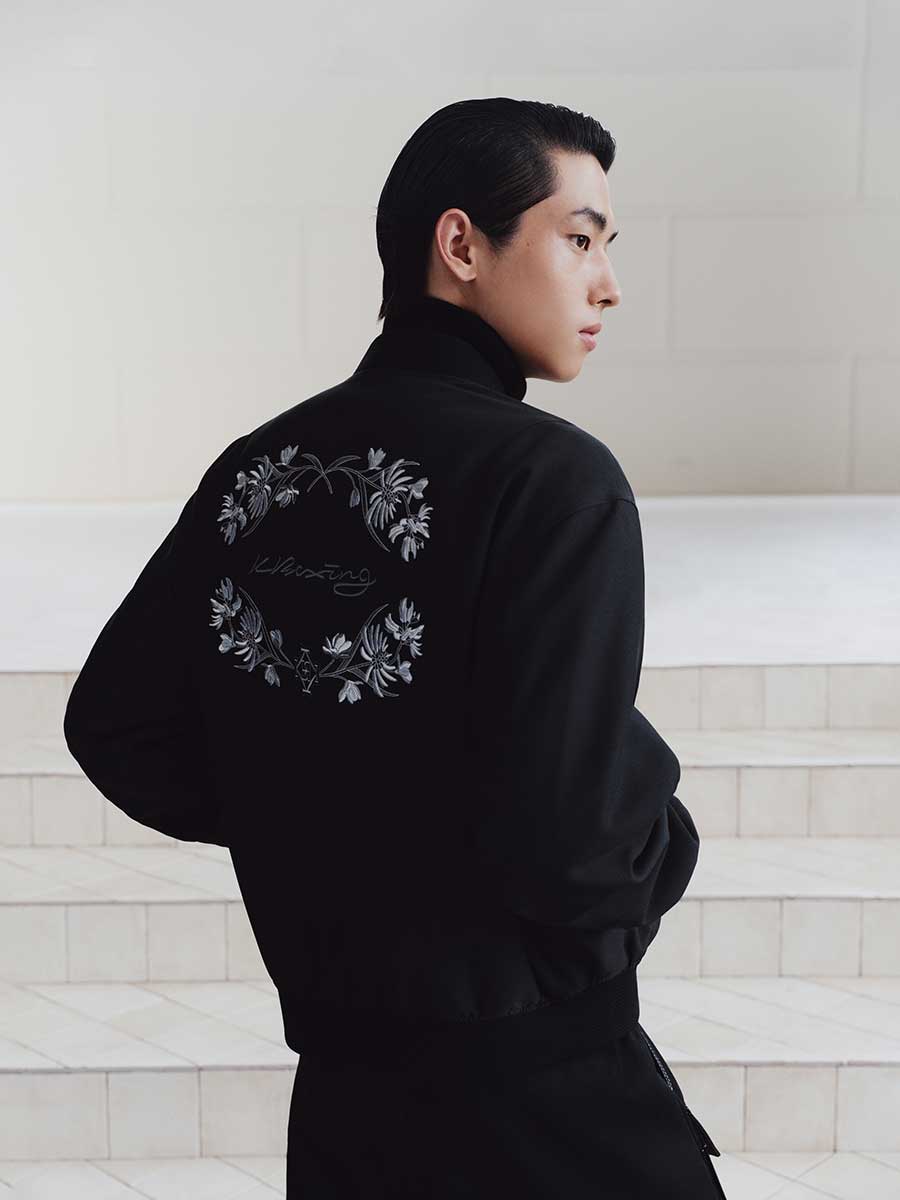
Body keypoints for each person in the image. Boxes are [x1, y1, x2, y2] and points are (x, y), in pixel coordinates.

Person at [63, 97, 727, 1197]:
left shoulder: (262, 466)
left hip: (349, 1114)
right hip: (550, 1111)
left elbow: (116, 725)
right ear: (461, 244)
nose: (608, 284)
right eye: (579, 239)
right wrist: (671, 837)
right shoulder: (552, 481)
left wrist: (319, 814)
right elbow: (573, 841)